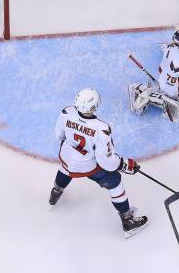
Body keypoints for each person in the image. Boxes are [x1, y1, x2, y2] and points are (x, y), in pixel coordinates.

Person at [48, 88, 148, 238]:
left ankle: (55, 193)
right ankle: (128, 221)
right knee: (115, 181)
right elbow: (106, 161)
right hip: (87, 165)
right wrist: (124, 164)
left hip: (67, 155)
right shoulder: (101, 129)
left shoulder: (66, 112)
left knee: (66, 167)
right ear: (94, 106)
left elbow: (59, 135)